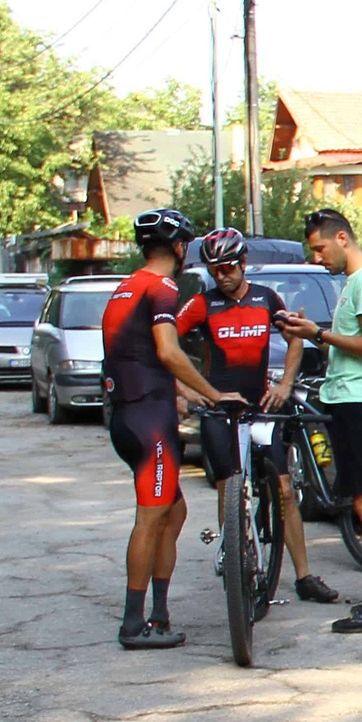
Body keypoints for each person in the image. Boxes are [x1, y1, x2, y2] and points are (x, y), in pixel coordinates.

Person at [105, 208, 245, 649]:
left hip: (127, 414)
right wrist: (213, 391)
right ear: (181, 247)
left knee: (174, 511)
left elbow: (138, 354)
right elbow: (167, 351)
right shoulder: (163, 287)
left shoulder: (126, 286)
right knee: (150, 517)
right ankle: (134, 624)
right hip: (150, 419)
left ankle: (161, 613)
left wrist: (187, 392)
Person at [176, 227, 339, 606]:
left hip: (260, 408)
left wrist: (284, 384)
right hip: (220, 409)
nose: (223, 276)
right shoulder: (203, 304)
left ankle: (303, 575)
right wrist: (187, 391)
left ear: (243, 263)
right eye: (215, 270)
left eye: (229, 267)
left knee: (283, 489)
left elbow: (296, 335)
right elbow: (165, 344)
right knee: (228, 486)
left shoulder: (266, 298)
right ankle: (232, 557)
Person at [280, 208, 362, 633]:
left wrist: (314, 334)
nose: (317, 258)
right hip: (357, 398)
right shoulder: (360, 281)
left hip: (359, 400)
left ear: (341, 239)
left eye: (319, 248)